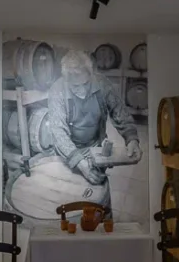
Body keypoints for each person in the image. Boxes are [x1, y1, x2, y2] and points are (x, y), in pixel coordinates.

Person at [44, 50, 142, 198]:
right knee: (69, 195)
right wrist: (80, 163)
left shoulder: (102, 84)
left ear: (91, 75)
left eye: (86, 84)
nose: (83, 91)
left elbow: (119, 112)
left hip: (95, 146)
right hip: (69, 151)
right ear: (67, 80)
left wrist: (132, 138)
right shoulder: (57, 91)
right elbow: (59, 133)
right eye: (76, 87)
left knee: (96, 194)